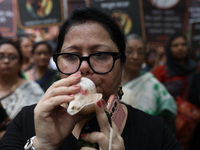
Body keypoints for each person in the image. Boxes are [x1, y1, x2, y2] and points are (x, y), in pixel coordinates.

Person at [0, 7, 182, 150]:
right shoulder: (27, 121)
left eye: (101, 55)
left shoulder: (154, 132)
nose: (84, 67)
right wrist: (42, 146)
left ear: (122, 65)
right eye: (71, 56)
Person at [121, 34, 177, 134]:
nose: (135, 57)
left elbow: (169, 113)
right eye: (129, 51)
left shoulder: (151, 83)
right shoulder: (111, 82)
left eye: (141, 52)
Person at [153, 32, 200, 150]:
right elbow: (155, 95)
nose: (180, 48)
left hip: (193, 121)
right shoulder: (161, 71)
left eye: (183, 44)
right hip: (169, 121)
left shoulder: (196, 69)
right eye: (175, 45)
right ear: (169, 49)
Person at [0, 39, 44, 120]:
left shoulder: (32, 89)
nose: (6, 61)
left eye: (11, 57)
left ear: (20, 62)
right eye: (1, 56)